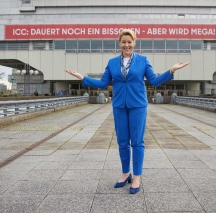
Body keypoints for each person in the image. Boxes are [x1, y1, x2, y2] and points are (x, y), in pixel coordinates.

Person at [64, 29, 190, 194]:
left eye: (129, 42)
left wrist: (171, 71)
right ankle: (125, 173)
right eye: (123, 42)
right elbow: (103, 84)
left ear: (134, 43)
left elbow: (154, 81)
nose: (126, 45)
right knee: (122, 141)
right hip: (119, 106)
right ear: (119, 43)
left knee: (137, 142)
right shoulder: (112, 62)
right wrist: (83, 78)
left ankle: (136, 176)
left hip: (138, 105)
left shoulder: (143, 61)